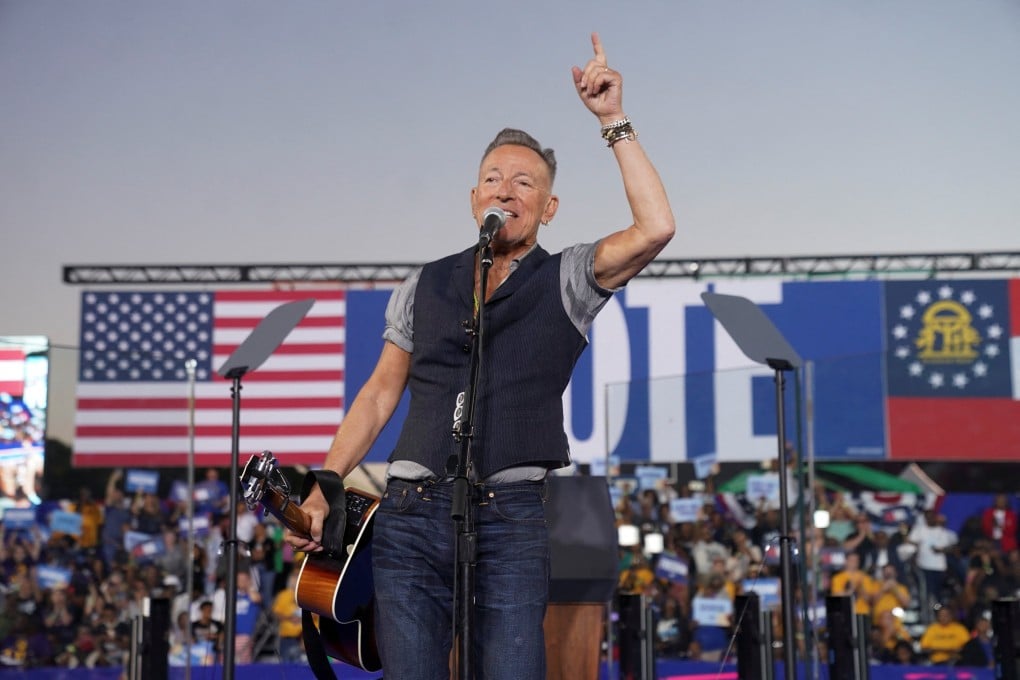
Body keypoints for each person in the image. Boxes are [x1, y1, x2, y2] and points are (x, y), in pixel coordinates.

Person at [286, 32, 675, 680]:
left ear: (548, 207)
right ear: (474, 200)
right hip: (408, 517)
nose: (506, 189)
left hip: (511, 521)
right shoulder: (427, 282)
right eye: (493, 178)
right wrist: (326, 482)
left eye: (525, 182)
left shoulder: (568, 278)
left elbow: (655, 228)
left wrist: (613, 121)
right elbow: (381, 392)